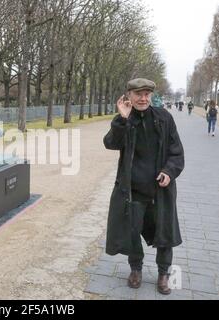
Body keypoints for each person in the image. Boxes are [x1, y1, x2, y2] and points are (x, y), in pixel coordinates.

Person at [103, 78, 185, 295]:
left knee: (164, 235)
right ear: (128, 95)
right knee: (133, 232)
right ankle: (136, 270)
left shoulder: (164, 118)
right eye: (138, 93)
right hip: (133, 191)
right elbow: (110, 143)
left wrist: (169, 171)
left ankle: (163, 274)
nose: (143, 98)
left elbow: (176, 152)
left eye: (147, 93)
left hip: (160, 191)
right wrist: (122, 118)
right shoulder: (124, 119)